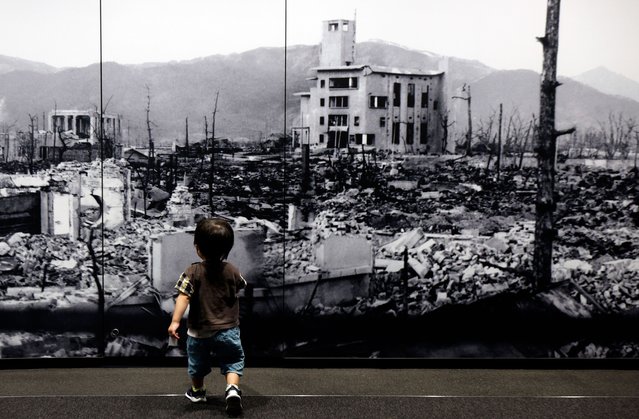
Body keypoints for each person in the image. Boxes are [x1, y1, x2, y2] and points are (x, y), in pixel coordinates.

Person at [168, 218, 247, 415]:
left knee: (197, 364)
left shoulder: (192, 271)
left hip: (199, 331)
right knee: (232, 360)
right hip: (228, 329)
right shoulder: (231, 270)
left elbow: (183, 297)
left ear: (198, 248)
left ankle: (198, 391)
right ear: (226, 249)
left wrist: (175, 321)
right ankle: (232, 389)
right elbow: (241, 285)